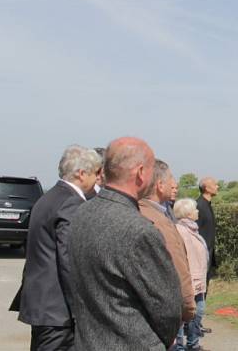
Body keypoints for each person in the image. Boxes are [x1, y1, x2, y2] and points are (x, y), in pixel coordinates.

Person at [68, 137, 182, 351]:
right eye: (150, 169)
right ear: (140, 173)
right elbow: (168, 309)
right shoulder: (140, 231)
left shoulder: (81, 212)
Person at [16, 145, 101, 351]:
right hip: (58, 311)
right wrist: (83, 309)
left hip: (44, 306)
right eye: (97, 172)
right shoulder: (71, 202)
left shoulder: (48, 197)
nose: (100, 178)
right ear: (81, 173)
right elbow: (70, 260)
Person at [139, 159, 196, 323]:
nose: (174, 184)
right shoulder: (160, 222)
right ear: (160, 185)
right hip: (161, 314)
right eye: (171, 178)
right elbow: (178, 268)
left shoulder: (131, 211)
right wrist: (188, 309)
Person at [174, 198, 209, 351]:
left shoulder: (192, 228)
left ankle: (193, 344)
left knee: (199, 311)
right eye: (195, 209)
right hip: (188, 280)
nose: (198, 211)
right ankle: (181, 347)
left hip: (198, 279)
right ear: (188, 213)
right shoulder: (179, 230)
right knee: (183, 317)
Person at [196, 177, 218, 288]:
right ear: (206, 188)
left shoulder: (207, 205)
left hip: (208, 254)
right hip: (201, 257)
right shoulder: (199, 206)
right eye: (215, 184)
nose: (217, 187)